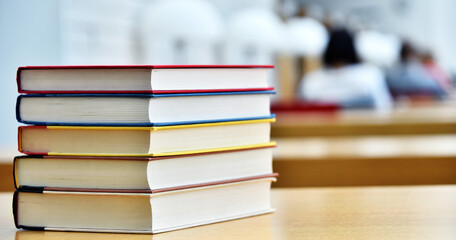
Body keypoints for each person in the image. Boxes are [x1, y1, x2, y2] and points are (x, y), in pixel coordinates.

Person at [299, 28, 393, 110]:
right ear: (354, 50)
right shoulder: (370, 76)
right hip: (365, 129)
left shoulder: (311, 82)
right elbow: (385, 107)